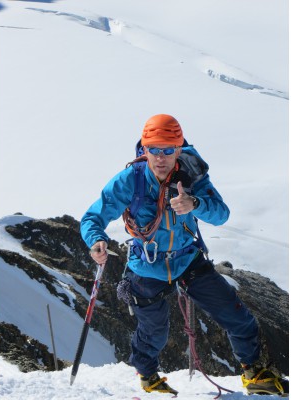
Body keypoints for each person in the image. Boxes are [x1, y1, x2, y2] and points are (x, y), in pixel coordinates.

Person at [80, 114, 288, 396]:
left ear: (179, 148)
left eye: (168, 149)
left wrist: (195, 204)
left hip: (187, 257)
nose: (161, 157)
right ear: (145, 149)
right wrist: (96, 242)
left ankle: (254, 373)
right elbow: (93, 218)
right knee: (154, 330)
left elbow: (220, 214)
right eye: (154, 149)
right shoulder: (130, 179)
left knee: (236, 315)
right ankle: (148, 376)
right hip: (147, 263)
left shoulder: (192, 175)